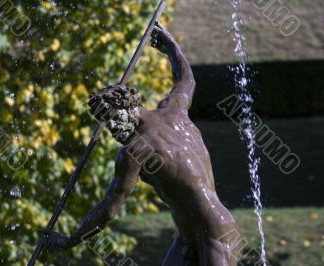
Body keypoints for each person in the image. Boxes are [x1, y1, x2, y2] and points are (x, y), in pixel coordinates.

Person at [43, 22, 242, 265]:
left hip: (215, 235)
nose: (112, 131)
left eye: (111, 121)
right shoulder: (174, 109)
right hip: (187, 238)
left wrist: (68, 241)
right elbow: (186, 79)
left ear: (125, 112)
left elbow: (108, 209)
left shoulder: (136, 150)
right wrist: (170, 47)